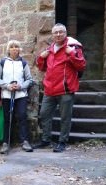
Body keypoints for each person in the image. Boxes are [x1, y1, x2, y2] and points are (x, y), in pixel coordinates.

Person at [33, 23, 86, 153]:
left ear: (65, 33)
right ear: (52, 34)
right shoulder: (50, 49)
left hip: (65, 90)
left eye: (60, 32)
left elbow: (81, 65)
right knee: (44, 114)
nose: (58, 34)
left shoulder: (73, 47)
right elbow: (41, 67)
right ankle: (46, 140)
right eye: (55, 32)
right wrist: (41, 57)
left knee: (65, 118)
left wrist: (72, 54)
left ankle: (62, 142)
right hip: (49, 90)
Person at [0, 40, 34, 154]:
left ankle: (25, 141)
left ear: (19, 49)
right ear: (8, 49)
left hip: (21, 95)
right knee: (7, 118)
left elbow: (29, 79)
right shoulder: (3, 62)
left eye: (16, 47)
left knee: (22, 116)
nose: (14, 49)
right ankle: (6, 142)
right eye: (12, 47)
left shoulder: (23, 63)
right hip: (7, 94)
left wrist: (20, 86)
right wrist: (7, 86)